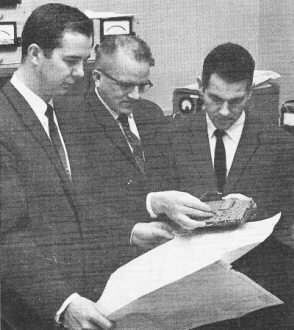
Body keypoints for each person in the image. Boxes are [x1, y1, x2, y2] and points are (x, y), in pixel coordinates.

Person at [0, 4, 115, 329]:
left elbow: (80, 203)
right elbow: (6, 237)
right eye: (71, 61)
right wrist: (63, 302)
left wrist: (137, 228)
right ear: (35, 54)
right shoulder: (2, 124)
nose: (80, 73)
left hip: (82, 300)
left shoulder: (66, 112)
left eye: (84, 61)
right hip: (30, 314)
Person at [167, 42, 294, 328]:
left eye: (236, 100)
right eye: (215, 98)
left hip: (260, 298)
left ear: (250, 92)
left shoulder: (281, 145)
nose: (224, 111)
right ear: (201, 87)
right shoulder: (170, 137)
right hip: (190, 295)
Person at [59, 34, 214, 250]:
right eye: (125, 85)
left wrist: (216, 203)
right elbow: (83, 203)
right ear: (96, 77)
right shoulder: (72, 123)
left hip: (168, 242)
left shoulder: (151, 113)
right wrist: (150, 206)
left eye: (142, 85)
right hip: (114, 248)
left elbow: (169, 176)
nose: (135, 96)